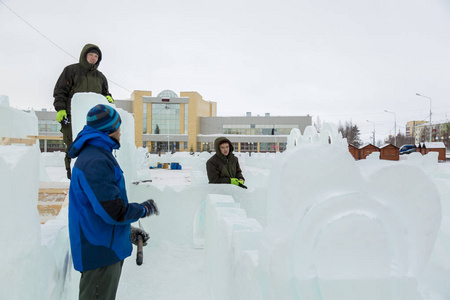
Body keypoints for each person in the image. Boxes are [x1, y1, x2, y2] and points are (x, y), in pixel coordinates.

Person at [68, 104, 159, 300]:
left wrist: (128, 232)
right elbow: (113, 212)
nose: (120, 130)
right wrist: (144, 209)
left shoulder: (98, 154)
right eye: (118, 126)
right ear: (108, 130)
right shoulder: (96, 161)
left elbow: (99, 209)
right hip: (99, 255)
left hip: (103, 247)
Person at [53, 43, 114, 179]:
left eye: (96, 56)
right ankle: (73, 178)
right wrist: (61, 109)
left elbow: (105, 94)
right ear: (84, 55)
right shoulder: (71, 71)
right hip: (72, 117)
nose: (93, 58)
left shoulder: (101, 77)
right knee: (73, 147)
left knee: (94, 148)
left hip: (95, 121)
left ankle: (93, 179)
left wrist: (108, 98)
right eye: (91, 54)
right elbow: (60, 91)